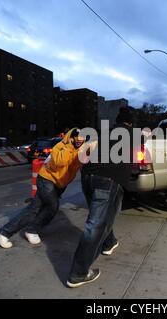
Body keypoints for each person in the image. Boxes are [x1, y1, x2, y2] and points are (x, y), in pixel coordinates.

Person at [66, 107, 139, 288]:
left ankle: (109, 243)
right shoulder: (133, 134)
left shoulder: (104, 132)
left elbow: (86, 149)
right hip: (108, 180)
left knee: (104, 216)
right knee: (97, 225)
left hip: (88, 177)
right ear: (130, 122)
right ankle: (78, 273)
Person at [0, 128, 90, 248]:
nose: (80, 141)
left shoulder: (81, 150)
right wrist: (69, 146)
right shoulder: (60, 147)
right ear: (71, 138)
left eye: (83, 139)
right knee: (52, 206)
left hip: (59, 185)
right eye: (78, 138)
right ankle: (22, 230)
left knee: (35, 207)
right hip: (47, 180)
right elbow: (61, 162)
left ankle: (10, 232)